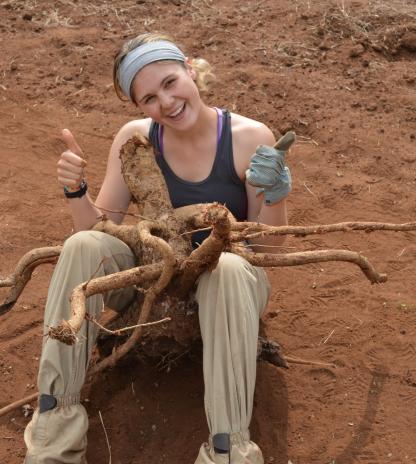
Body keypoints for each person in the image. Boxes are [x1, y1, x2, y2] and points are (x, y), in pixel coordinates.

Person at [24, 32, 291, 464]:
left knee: (227, 270)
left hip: (228, 288)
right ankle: (54, 433)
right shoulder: (137, 138)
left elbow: (269, 251)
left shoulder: (248, 137)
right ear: (138, 108)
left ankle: (229, 450)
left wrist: (275, 195)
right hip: (153, 278)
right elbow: (102, 232)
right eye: (149, 98)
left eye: (169, 83)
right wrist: (76, 191)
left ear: (189, 68)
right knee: (82, 244)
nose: (165, 103)